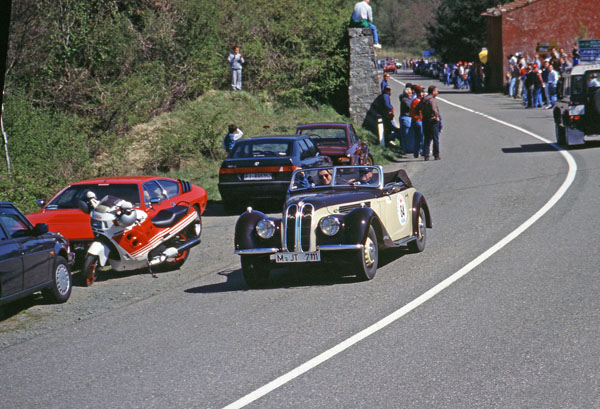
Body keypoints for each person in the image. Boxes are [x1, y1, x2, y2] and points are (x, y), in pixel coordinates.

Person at [420, 85, 442, 161]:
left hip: (425, 120)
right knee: (435, 138)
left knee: (427, 138)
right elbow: (434, 109)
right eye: (436, 91)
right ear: (433, 92)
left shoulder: (423, 99)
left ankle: (426, 155)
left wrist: (420, 116)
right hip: (432, 121)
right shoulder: (432, 100)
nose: (437, 92)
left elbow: (417, 108)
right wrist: (436, 116)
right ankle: (436, 155)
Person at [409, 86, 425, 158]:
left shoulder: (414, 101)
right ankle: (421, 151)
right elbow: (419, 112)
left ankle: (416, 152)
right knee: (421, 137)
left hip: (415, 121)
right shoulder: (416, 102)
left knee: (417, 138)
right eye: (421, 94)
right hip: (418, 121)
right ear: (418, 94)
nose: (423, 95)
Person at [399, 86, 413, 154]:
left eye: (411, 93)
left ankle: (406, 148)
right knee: (406, 135)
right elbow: (410, 107)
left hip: (405, 118)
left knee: (407, 134)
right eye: (409, 93)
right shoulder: (405, 100)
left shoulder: (405, 99)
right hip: (406, 118)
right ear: (406, 94)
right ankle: (406, 149)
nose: (411, 94)